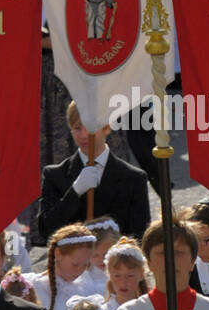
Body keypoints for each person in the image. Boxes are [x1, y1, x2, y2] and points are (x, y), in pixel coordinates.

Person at [37, 103, 151, 244]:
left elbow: (139, 238)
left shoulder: (133, 178)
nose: (84, 135)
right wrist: (75, 191)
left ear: (107, 127)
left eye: (90, 129)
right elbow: (46, 230)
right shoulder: (55, 175)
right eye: (77, 128)